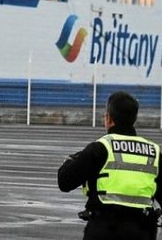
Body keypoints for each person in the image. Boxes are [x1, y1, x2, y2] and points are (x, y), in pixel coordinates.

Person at [58, 91, 162, 239]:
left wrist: (70, 161)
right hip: (142, 230)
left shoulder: (100, 148)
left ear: (109, 119)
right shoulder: (154, 152)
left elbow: (64, 182)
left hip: (104, 229)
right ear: (134, 119)